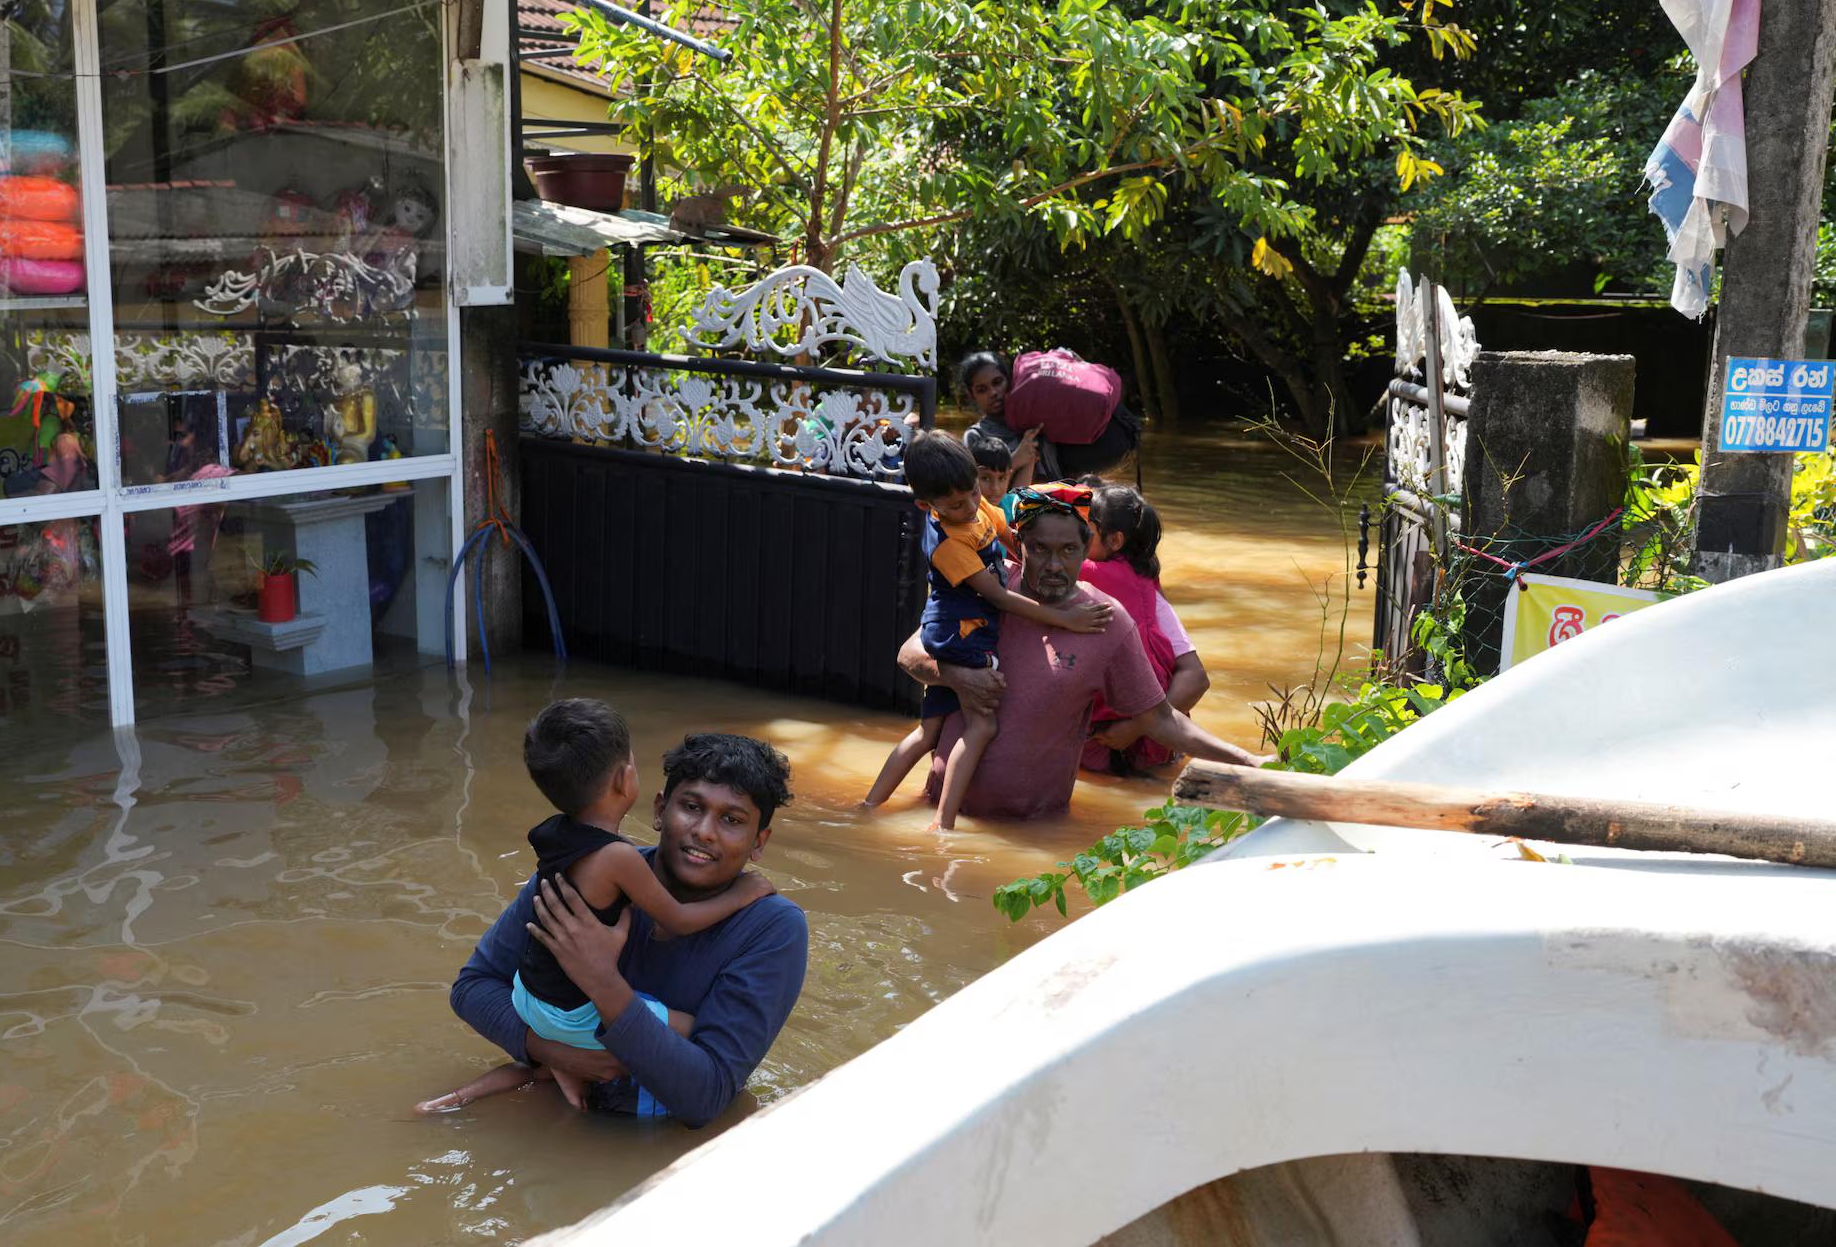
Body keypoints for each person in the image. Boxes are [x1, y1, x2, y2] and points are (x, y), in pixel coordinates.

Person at [418, 733, 806, 1127]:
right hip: (555, 1103)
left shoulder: (773, 929)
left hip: (658, 1143)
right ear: (659, 810)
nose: (705, 831)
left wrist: (601, 980)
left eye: (732, 820)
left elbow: (706, 1096)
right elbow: (473, 988)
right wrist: (553, 1054)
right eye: (691, 806)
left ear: (759, 843)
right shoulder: (586, 874)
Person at [896, 484, 1266, 821]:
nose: (1054, 565)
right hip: (934, 813)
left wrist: (1248, 761)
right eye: (1040, 549)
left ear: (1087, 547)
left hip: (1032, 831)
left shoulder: (1107, 621)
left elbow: (1162, 720)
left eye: (1069, 550)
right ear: (1019, 543)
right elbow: (908, 654)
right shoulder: (987, 587)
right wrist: (958, 676)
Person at [864, 434, 1111, 830]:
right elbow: (998, 597)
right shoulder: (946, 543)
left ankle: (869, 805)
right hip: (961, 632)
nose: (968, 507)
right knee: (983, 727)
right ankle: (943, 823)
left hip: (950, 624)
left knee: (928, 732)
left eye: (973, 493)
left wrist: (1041, 554)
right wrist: (1066, 620)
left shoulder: (976, 507)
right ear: (926, 506)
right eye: (955, 505)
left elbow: (1009, 536)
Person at [1077, 483, 1211, 773]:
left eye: (1086, 529)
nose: (1077, 538)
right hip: (1164, 737)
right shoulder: (1146, 578)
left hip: (1123, 735)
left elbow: (1038, 560)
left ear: (1115, 540)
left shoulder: (1092, 572)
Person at [957, 351, 1053, 486]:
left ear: (1010, 380)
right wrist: (1016, 459)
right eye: (982, 390)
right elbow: (974, 491)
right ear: (972, 395)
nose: (993, 393)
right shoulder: (975, 436)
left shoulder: (1035, 420)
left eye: (997, 382)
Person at [969, 434, 1013, 507]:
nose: (995, 488)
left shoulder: (1011, 507)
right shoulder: (968, 514)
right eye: (986, 479)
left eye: (1002, 478)